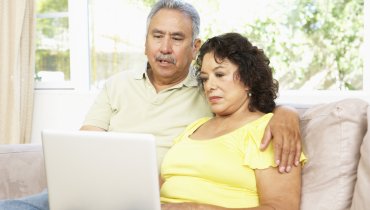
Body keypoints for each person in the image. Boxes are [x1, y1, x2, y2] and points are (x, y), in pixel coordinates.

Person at [0, 1, 301, 209]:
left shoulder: (207, 95)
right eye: (157, 36)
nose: (165, 48)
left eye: (177, 38)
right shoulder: (118, 86)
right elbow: (85, 142)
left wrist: (286, 114)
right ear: (145, 42)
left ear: (194, 46)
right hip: (105, 189)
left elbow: (253, 105)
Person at [160, 32, 306, 210]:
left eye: (220, 75)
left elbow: (282, 207)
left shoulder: (269, 130)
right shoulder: (194, 127)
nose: (209, 86)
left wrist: (196, 208)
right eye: (205, 79)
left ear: (248, 79)